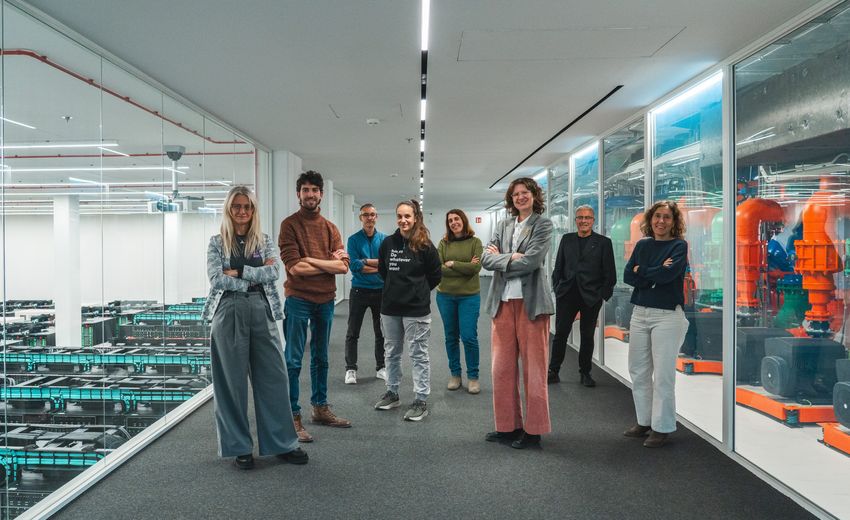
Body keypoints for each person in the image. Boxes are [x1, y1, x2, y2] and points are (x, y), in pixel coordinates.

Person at [203, 186, 308, 469]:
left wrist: (239, 271)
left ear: (253, 210)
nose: (241, 211)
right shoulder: (216, 243)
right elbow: (216, 279)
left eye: (246, 206)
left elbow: (274, 273)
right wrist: (254, 275)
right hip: (228, 312)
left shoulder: (263, 240)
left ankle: (283, 443)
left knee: (274, 378)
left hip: (262, 310)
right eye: (236, 206)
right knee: (231, 384)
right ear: (229, 209)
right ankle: (240, 447)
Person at [279, 170, 352, 443]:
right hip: (298, 300)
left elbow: (343, 267)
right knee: (293, 360)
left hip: (326, 301)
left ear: (321, 194)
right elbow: (295, 268)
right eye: (305, 190)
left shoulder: (330, 227)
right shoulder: (289, 225)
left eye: (314, 190)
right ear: (298, 194)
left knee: (321, 358)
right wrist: (327, 263)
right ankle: (292, 415)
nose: (310, 194)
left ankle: (320, 408)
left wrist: (314, 261)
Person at [481, 178, 554, 449]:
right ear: (511, 200)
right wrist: (511, 258)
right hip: (502, 304)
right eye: (515, 194)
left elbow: (532, 261)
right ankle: (508, 427)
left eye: (525, 193)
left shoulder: (543, 224)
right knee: (501, 370)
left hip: (531, 305)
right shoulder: (503, 225)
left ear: (534, 196)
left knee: (534, 371)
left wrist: (503, 257)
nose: (520, 197)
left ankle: (533, 431)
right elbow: (485, 259)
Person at [623, 200, 689, 448]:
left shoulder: (679, 246)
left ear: (674, 222)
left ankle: (662, 428)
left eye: (667, 217)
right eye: (657, 217)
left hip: (667, 316)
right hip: (639, 313)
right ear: (650, 220)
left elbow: (668, 276)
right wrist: (654, 271)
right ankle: (644, 421)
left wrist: (644, 271)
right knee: (638, 371)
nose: (661, 221)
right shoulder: (642, 244)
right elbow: (628, 275)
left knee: (662, 375)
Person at [374, 199, 441, 421]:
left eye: (407, 216)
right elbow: (383, 272)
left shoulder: (426, 246)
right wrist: (397, 290)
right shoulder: (387, 244)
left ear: (415, 218)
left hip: (416, 310)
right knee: (391, 352)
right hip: (390, 308)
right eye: (400, 216)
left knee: (418, 354)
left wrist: (417, 292)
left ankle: (421, 399)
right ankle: (392, 393)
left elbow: (434, 276)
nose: (403, 220)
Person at [548, 205, 616, 387]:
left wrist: (602, 295)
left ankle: (585, 372)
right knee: (560, 333)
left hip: (591, 297)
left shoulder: (603, 242)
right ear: (575, 220)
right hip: (567, 294)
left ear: (593, 221)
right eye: (580, 217)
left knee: (586, 335)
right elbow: (558, 267)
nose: (583, 221)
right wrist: (558, 287)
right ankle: (553, 370)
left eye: (587, 218)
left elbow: (610, 273)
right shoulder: (567, 239)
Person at [436, 209, 483, 394]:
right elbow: (438, 268)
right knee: (451, 337)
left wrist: (453, 264)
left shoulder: (475, 242)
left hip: (469, 296)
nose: (454, 222)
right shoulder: (443, 243)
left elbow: (476, 268)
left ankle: (473, 377)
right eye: (450, 220)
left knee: (469, 337)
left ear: (463, 220)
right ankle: (455, 374)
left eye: (456, 219)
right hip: (445, 296)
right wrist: (465, 267)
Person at [344, 203, 388, 384]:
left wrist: (365, 263)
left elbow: (386, 266)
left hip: (380, 291)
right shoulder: (353, 240)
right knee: (353, 331)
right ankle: (351, 369)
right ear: (360, 218)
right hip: (359, 291)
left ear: (376, 217)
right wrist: (376, 267)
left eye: (372, 214)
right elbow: (354, 266)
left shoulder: (385, 240)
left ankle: (381, 367)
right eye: (366, 215)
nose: (370, 218)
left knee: (382, 332)